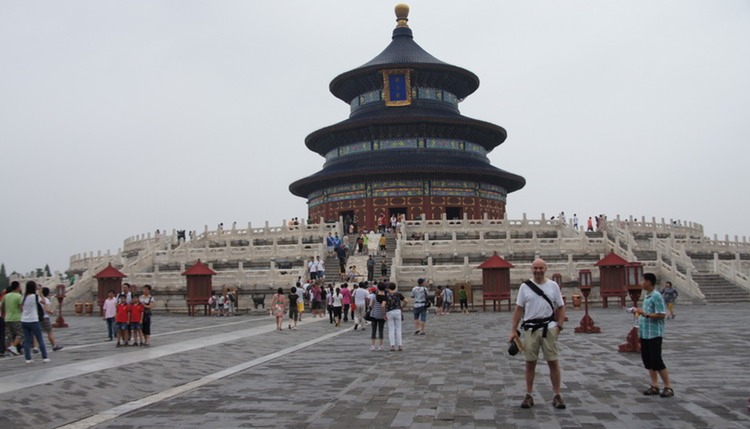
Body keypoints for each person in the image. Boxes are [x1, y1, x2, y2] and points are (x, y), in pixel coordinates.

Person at [509, 259, 567, 410]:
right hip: (530, 328)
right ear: (531, 269)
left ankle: (556, 395)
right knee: (530, 363)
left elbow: (561, 307)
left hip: (549, 328)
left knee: (553, 361)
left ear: (545, 268)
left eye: (541, 268)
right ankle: (528, 395)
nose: (538, 270)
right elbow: (518, 309)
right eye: (535, 268)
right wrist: (513, 330)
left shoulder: (553, 286)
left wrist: (559, 326)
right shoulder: (524, 287)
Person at [634, 273, 674, 398]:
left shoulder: (656, 296)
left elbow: (661, 314)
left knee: (657, 361)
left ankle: (668, 386)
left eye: (643, 280)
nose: (641, 283)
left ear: (649, 282)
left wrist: (645, 314)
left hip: (654, 334)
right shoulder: (647, 296)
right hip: (645, 333)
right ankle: (654, 385)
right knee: (648, 360)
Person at [20, 281, 49, 363]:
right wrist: (40, 293)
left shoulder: (23, 297)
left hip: (24, 320)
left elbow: (21, 308)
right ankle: (44, 357)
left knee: (27, 340)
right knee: (39, 339)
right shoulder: (35, 297)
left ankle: (28, 358)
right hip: (33, 320)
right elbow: (44, 302)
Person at [1, 281, 23, 356]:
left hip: (7, 318)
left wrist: (4, 313)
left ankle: (11, 349)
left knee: (9, 335)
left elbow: (2, 306)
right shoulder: (19, 296)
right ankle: (13, 346)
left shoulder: (6, 296)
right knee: (20, 334)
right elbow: (21, 307)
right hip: (16, 318)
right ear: (17, 287)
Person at [39, 287, 63, 351]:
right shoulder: (46, 300)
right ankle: (54, 345)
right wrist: (51, 311)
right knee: (50, 332)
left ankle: (36, 347)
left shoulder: (38, 299)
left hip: (38, 317)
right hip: (45, 317)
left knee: (37, 333)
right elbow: (46, 309)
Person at [383, 282, 405, 351]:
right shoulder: (398, 294)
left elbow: (383, 305)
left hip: (390, 312)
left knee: (391, 329)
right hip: (398, 311)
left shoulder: (387, 295)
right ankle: (400, 345)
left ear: (388, 288)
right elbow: (406, 301)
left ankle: (392, 345)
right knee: (398, 329)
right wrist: (402, 307)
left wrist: (384, 313)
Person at [369, 283, 386, 351]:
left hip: (374, 315)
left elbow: (371, 305)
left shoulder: (374, 296)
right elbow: (385, 306)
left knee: (373, 330)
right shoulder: (385, 297)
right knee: (381, 330)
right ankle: (380, 346)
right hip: (382, 315)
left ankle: (373, 345)